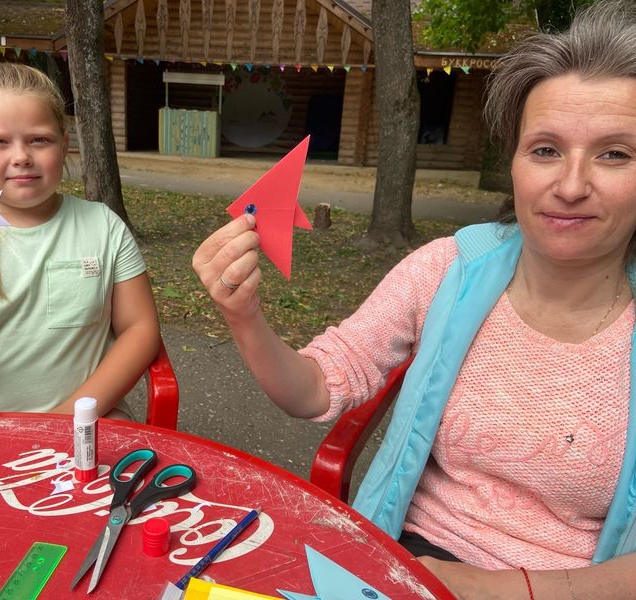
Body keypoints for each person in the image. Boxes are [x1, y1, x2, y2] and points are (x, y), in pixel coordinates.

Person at [192, 1, 636, 597]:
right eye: (546, 149)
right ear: (515, 163)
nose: (572, 184)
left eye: (615, 153)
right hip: (401, 564)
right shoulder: (445, 271)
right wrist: (243, 316)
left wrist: (494, 587)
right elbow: (318, 390)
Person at [0, 63, 160, 418]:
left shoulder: (104, 227)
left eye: (39, 139)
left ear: (65, 144)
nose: (21, 156)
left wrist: (70, 415)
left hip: (83, 425)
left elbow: (140, 329)